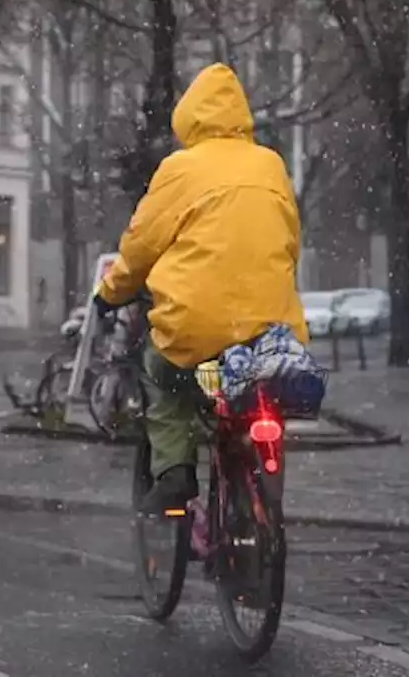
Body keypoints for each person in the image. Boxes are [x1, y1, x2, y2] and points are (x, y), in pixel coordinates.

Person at [94, 63, 309, 514]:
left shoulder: (180, 168)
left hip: (198, 338)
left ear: (188, 117)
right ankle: (262, 511)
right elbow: (291, 243)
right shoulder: (271, 164)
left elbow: (139, 248)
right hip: (270, 337)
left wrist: (110, 294)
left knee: (161, 374)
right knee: (257, 397)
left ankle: (175, 473)